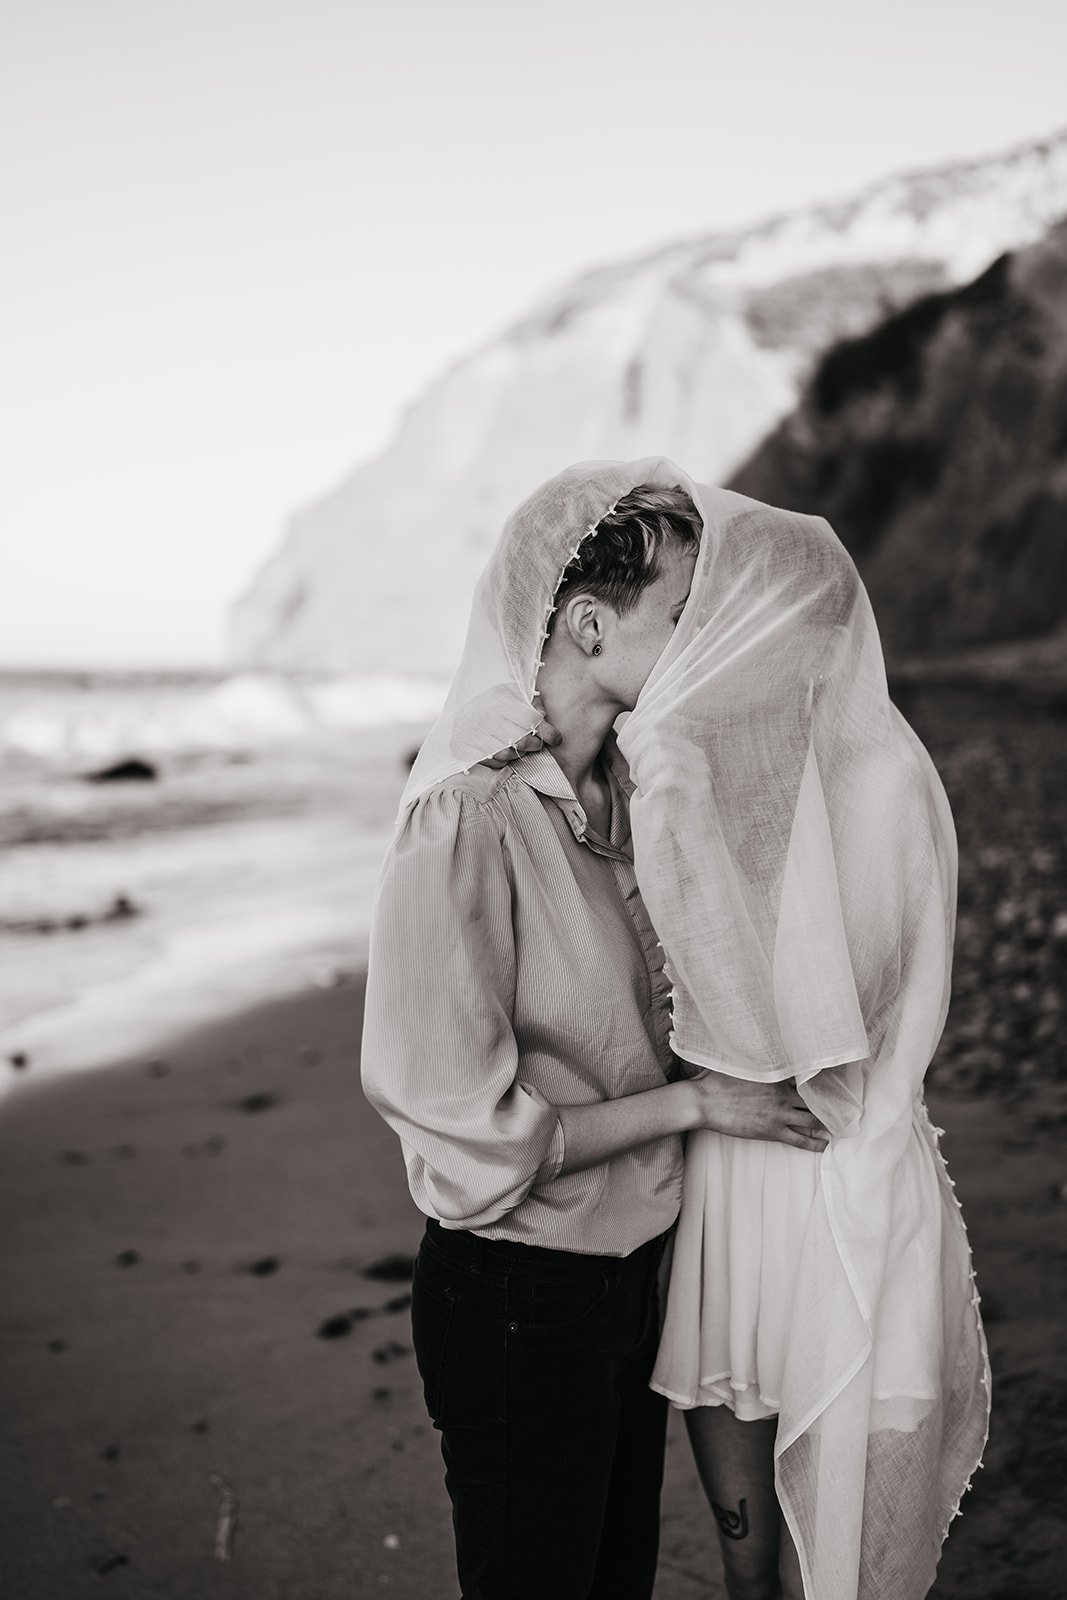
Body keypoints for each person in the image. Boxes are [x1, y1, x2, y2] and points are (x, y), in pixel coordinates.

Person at [487, 464, 992, 1600]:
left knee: (831, 1550)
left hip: (823, 1165)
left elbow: (773, 1019)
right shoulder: (721, 772)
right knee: (753, 1556)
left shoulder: (825, 780)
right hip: (741, 1176)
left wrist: (670, 799)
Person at [360, 460, 831, 1600]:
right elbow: (462, 1128)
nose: (700, 635)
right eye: (680, 612)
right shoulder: (465, 820)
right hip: (520, 1296)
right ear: (584, 622)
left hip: (629, 1280)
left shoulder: (629, 797)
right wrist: (693, 1104)